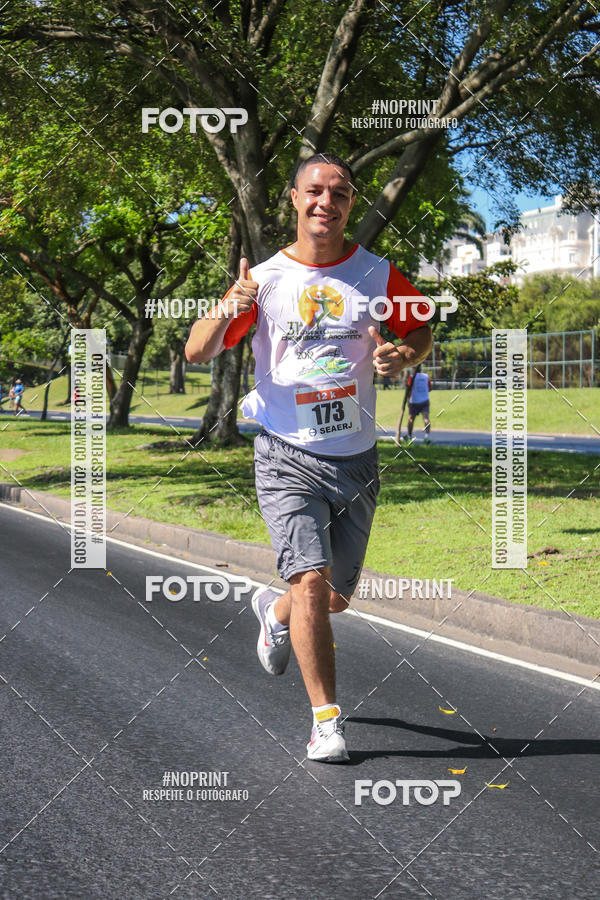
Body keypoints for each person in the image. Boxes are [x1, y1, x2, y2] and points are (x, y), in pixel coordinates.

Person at [185, 153, 432, 762]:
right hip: (285, 453)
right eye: (315, 191)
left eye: (339, 193)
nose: (327, 202)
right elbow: (197, 350)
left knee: (335, 598)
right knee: (313, 584)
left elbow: (421, 330)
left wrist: (404, 356)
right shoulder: (265, 279)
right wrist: (231, 303)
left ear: (351, 203)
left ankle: (273, 612)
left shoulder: (377, 274)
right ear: (294, 199)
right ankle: (327, 724)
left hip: (356, 459)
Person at [405, 366, 432, 443]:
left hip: (414, 402)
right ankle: (427, 436)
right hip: (425, 400)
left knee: (411, 419)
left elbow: (408, 390)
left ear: (414, 369)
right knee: (426, 419)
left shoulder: (411, 377)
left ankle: (409, 436)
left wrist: (408, 401)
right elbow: (430, 388)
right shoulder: (426, 376)